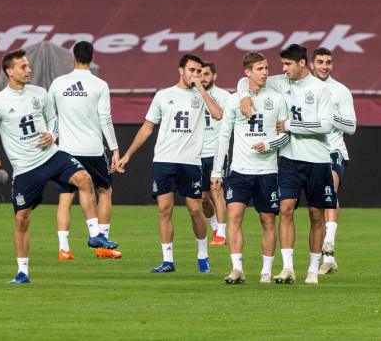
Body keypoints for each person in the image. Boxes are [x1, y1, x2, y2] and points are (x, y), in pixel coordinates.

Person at [0, 49, 117, 284]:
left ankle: (95, 235)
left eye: (28, 65)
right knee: (22, 220)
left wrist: (52, 136)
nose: (28, 69)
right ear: (9, 71)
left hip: (51, 156)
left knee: (84, 179)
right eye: (22, 67)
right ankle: (23, 272)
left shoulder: (40, 93)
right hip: (25, 168)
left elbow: (53, 119)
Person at [238, 43, 335, 284]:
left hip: (318, 160)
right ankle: (288, 268)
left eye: (287, 64)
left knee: (315, 215)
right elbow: (245, 79)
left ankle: (313, 270)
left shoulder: (321, 90)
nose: (283, 69)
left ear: (302, 64)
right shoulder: (280, 82)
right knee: (285, 210)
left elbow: (326, 126)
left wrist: (291, 126)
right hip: (289, 159)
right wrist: (244, 95)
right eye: (282, 64)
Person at [116, 53, 222, 273]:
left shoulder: (202, 96)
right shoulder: (163, 96)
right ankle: (167, 261)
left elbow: (218, 114)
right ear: (181, 70)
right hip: (164, 160)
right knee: (164, 209)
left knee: (195, 209)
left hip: (191, 162)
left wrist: (202, 89)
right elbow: (147, 127)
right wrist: (127, 155)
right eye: (192, 70)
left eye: (199, 72)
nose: (195, 75)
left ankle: (203, 256)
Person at [214, 51, 289, 284]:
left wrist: (269, 144)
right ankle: (237, 269)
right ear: (248, 72)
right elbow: (224, 136)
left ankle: (266, 272)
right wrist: (217, 171)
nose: (266, 72)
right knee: (234, 216)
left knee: (268, 221)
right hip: (239, 170)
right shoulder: (235, 99)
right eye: (260, 69)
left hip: (267, 171)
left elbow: (285, 136)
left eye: (266, 68)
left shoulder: (277, 99)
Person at [48, 41, 121, 260]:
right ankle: (103, 246)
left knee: (65, 198)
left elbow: (50, 115)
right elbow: (105, 118)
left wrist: (53, 140)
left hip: (66, 151)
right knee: (104, 192)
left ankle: (64, 249)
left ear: (73, 57)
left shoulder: (58, 83)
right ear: (91, 57)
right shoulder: (100, 85)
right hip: (93, 150)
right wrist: (115, 149)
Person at [308, 47, 357, 275]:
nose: (324, 66)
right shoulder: (302, 89)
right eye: (320, 62)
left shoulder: (341, 91)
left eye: (328, 62)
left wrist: (330, 117)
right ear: (311, 64)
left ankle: (329, 241)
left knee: (331, 191)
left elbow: (351, 126)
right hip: (308, 153)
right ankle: (327, 259)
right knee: (315, 208)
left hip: (333, 150)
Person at [198, 62, 231, 246]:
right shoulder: (192, 96)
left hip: (217, 152)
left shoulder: (224, 97)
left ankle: (222, 234)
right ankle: (215, 227)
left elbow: (221, 117)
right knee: (203, 199)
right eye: (200, 74)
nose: (203, 78)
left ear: (214, 76)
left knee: (217, 191)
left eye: (206, 74)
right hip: (197, 154)